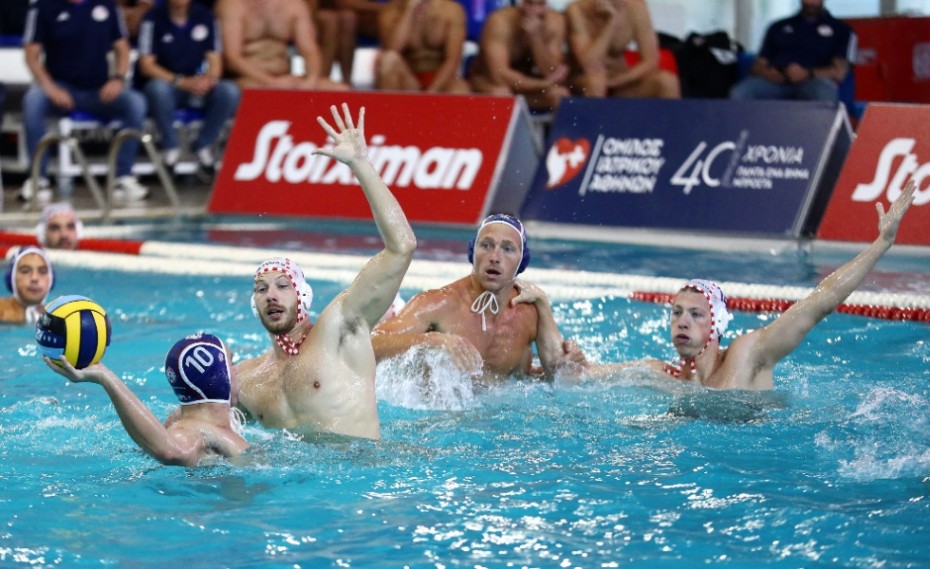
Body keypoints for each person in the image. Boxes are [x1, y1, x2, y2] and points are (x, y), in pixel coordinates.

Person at [587, 181, 917, 391]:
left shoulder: (748, 353)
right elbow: (582, 376)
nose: (682, 321)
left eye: (696, 314)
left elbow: (822, 300)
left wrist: (881, 244)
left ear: (717, 323)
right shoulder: (660, 374)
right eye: (676, 312)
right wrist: (566, 357)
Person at [234, 103, 416, 441]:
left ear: (303, 296)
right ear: (253, 304)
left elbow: (401, 247)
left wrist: (360, 165)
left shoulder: (341, 326)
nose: (271, 295)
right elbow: (195, 425)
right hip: (292, 476)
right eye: (261, 289)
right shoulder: (246, 380)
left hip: (364, 469)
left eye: (283, 286)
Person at [372, 214, 586, 385]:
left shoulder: (527, 316)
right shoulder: (438, 304)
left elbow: (541, 380)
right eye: (486, 245)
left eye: (507, 249)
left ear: (522, 262)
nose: (495, 257)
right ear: (472, 252)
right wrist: (432, 341)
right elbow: (372, 343)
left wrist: (575, 363)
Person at [43, 332, 249, 467]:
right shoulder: (195, 432)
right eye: (231, 363)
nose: (237, 370)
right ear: (217, 376)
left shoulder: (185, 419)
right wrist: (105, 377)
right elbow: (172, 452)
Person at [21, 0, 149, 203]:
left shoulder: (108, 6)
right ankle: (38, 178)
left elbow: (123, 48)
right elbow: (31, 55)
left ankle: (123, 176)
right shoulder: (42, 7)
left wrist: (118, 78)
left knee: (135, 102)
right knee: (32, 101)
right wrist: (50, 88)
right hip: (60, 88)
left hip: (98, 90)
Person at [136, 0, 241, 175]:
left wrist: (208, 80)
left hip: (198, 85)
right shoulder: (153, 18)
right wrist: (181, 82)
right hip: (170, 85)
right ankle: (170, 148)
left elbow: (215, 60)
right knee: (157, 89)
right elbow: (146, 65)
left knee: (229, 91)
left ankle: (204, 145)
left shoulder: (205, 16)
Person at [729, 0, 853, 102]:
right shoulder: (778, 27)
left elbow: (839, 72)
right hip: (776, 81)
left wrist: (807, 73)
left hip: (813, 81)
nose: (810, 2)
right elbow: (757, 65)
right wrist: (769, 74)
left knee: (824, 92)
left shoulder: (841, 29)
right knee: (740, 92)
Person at [215, 0, 348, 90]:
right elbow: (232, 57)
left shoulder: (294, 5)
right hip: (247, 79)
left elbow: (310, 50)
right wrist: (270, 82)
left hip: (284, 76)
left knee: (341, 90)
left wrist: (311, 80)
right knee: (254, 89)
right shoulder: (232, 5)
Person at [468, 0, 570, 112]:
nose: (534, 10)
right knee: (501, 94)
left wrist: (535, 38)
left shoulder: (555, 22)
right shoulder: (499, 22)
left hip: (530, 83)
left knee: (560, 94)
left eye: (540, 4)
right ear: (520, 3)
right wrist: (543, 84)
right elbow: (499, 77)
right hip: (490, 81)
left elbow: (552, 73)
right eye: (530, 3)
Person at [565, 0, 680, 99]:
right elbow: (589, 65)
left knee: (667, 81)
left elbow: (651, 61)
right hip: (583, 82)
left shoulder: (636, 7)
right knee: (595, 82)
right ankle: (599, 119)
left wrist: (616, 81)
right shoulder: (577, 9)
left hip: (620, 81)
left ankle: (675, 120)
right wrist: (610, 24)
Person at [374, 0, 471, 94]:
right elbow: (392, 50)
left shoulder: (451, 10)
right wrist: (409, 11)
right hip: (408, 80)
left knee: (460, 88)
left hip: (439, 78)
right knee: (388, 60)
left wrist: (431, 93)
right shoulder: (390, 11)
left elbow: (452, 60)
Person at [0, 245, 53, 324]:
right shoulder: (2, 312)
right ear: (11, 278)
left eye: (42, 271)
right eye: (25, 271)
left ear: (51, 279)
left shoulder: (56, 316)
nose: (34, 278)